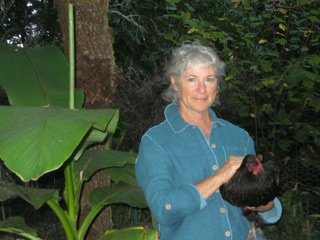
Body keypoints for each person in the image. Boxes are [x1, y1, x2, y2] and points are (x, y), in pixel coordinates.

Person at [135, 42, 282, 240]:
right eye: (192, 79)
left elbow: (264, 206)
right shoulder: (156, 141)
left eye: (209, 79)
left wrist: (266, 203)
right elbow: (164, 209)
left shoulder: (239, 137)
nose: (201, 89)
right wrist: (219, 177)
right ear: (175, 83)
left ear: (217, 84)